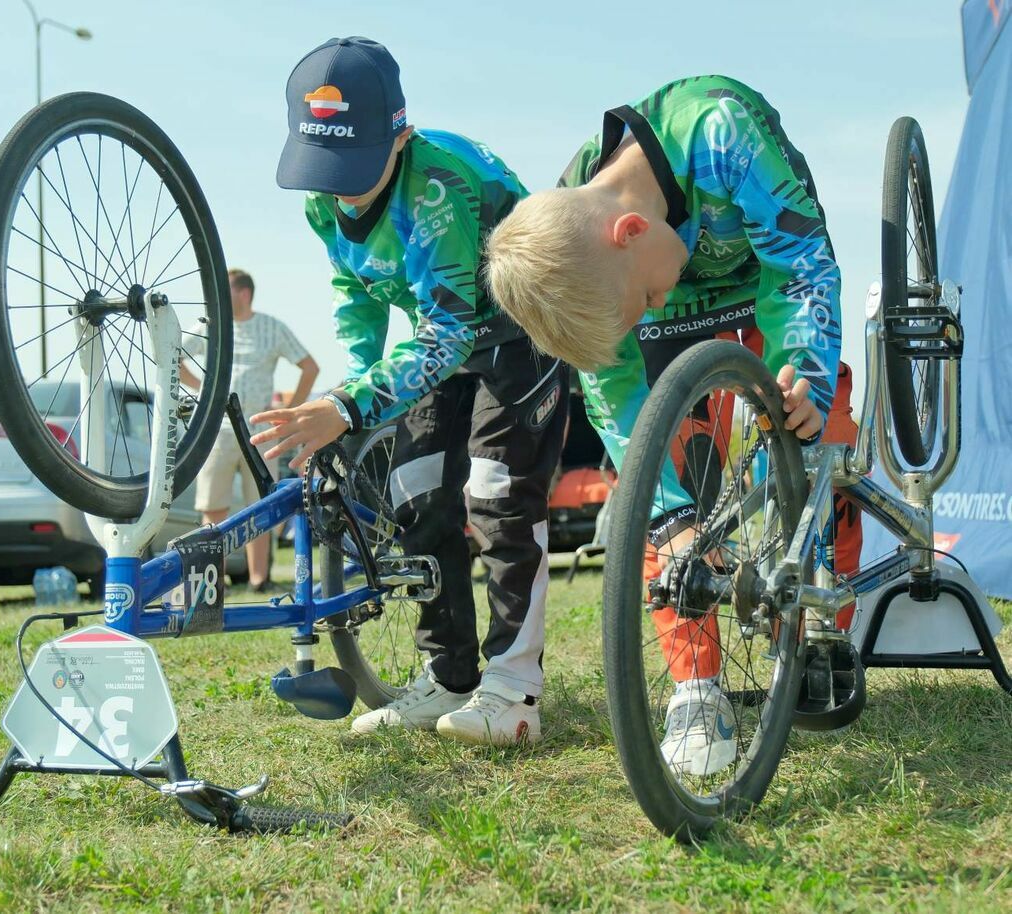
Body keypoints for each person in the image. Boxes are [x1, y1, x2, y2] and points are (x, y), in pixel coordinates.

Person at [485, 74, 861, 772]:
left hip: (765, 275)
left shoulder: (722, 135)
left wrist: (803, 372)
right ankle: (695, 686)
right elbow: (617, 398)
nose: (642, 307)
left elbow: (802, 263)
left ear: (629, 231)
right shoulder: (578, 246)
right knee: (668, 492)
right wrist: (668, 517)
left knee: (819, 427)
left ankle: (821, 628)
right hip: (674, 309)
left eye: (639, 299)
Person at [250, 36, 568, 746]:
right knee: (417, 491)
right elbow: (355, 289)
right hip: (439, 340)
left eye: (355, 166)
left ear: (400, 133)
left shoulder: (437, 188)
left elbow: (451, 332)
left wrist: (348, 407)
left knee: (495, 494)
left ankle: (513, 690)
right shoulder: (323, 201)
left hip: (519, 333)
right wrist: (353, 380)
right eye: (326, 168)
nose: (341, 187)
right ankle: (447, 676)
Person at [181, 268, 319, 593]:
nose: (217, 296)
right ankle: (213, 584)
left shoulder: (271, 327)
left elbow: (309, 367)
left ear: (243, 293)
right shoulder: (209, 324)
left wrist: (289, 414)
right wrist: (203, 389)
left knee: (260, 508)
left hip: (258, 431)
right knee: (213, 507)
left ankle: (260, 580)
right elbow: (174, 355)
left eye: (224, 289)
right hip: (216, 428)